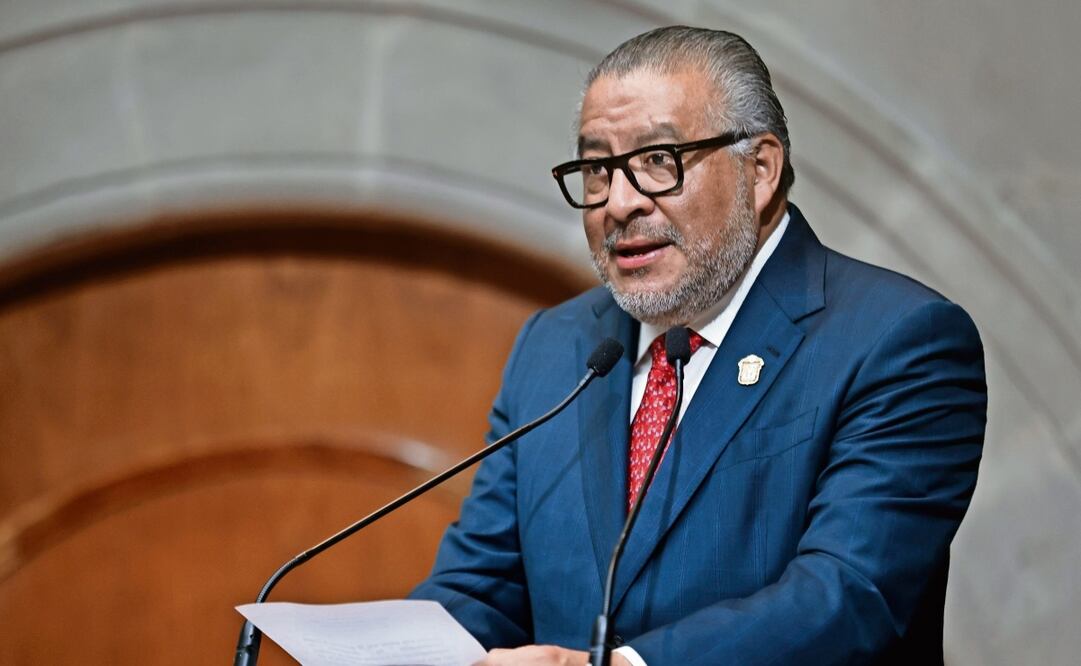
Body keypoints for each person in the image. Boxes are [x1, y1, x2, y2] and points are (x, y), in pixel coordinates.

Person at [410, 25, 986, 665]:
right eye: (597, 168)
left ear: (760, 169)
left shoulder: (897, 341)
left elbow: (847, 596)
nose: (620, 203)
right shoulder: (556, 347)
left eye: (659, 161)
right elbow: (480, 588)